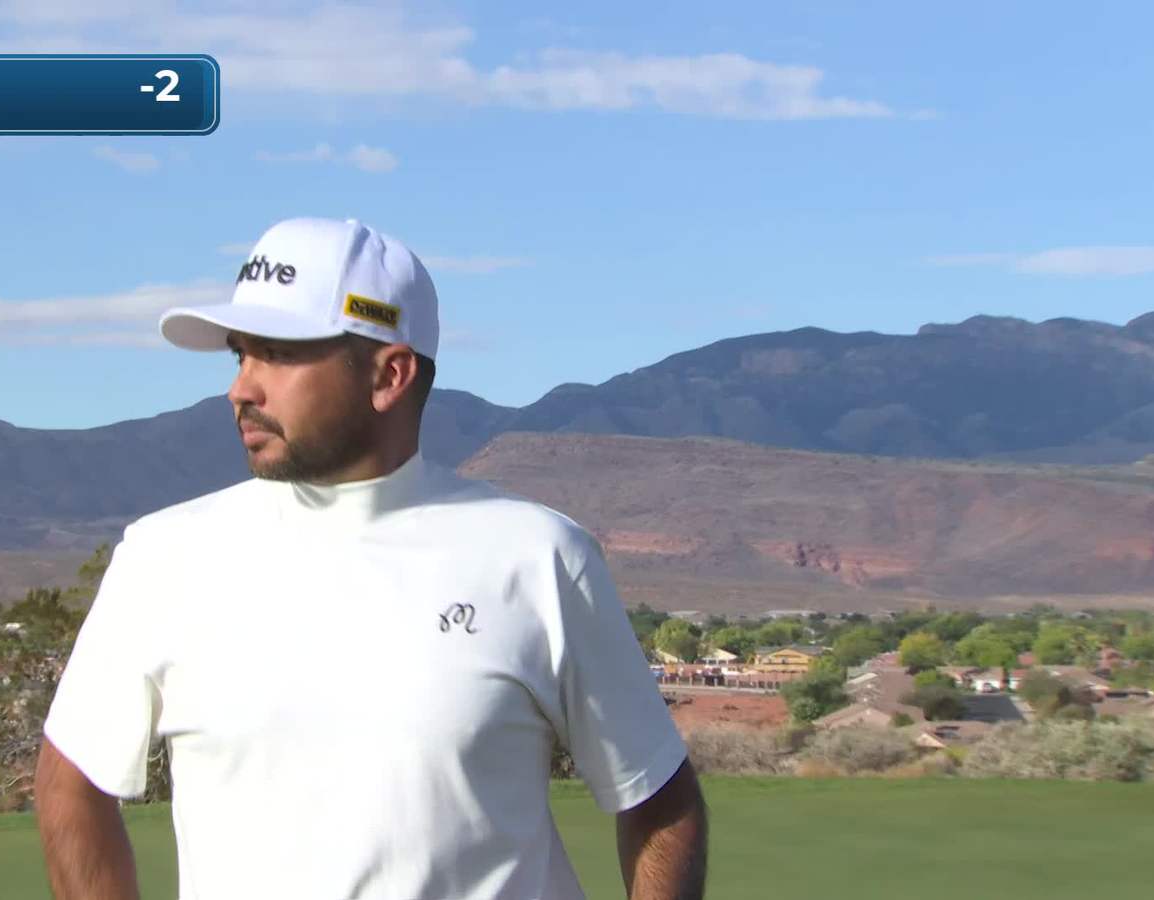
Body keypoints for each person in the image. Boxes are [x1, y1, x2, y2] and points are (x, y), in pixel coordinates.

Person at [35, 217, 708, 899]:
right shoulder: (163, 557)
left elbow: (659, 798)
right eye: (240, 355)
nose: (241, 389)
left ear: (390, 375)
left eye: (277, 355)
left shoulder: (539, 557)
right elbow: (70, 786)